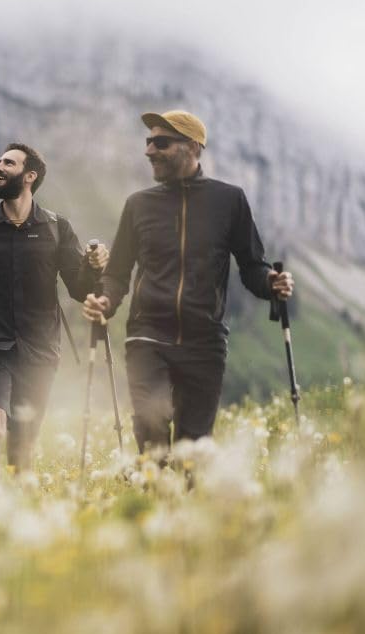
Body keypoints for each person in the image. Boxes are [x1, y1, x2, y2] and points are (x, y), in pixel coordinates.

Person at [82, 110, 294, 455]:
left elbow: (252, 266)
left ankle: (183, 503)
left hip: (204, 342)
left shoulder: (230, 201)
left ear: (193, 147)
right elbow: (117, 273)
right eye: (148, 142)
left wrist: (272, 281)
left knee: (192, 450)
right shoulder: (138, 205)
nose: (149, 151)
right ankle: (151, 499)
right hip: (147, 335)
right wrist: (105, 300)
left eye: (160, 142)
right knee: (151, 427)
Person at [0, 143, 108, 475]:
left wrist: (94, 266)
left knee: (22, 448)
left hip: (40, 350)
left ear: (30, 176)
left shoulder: (57, 228)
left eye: (9, 163)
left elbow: (80, 288)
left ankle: (13, 517)